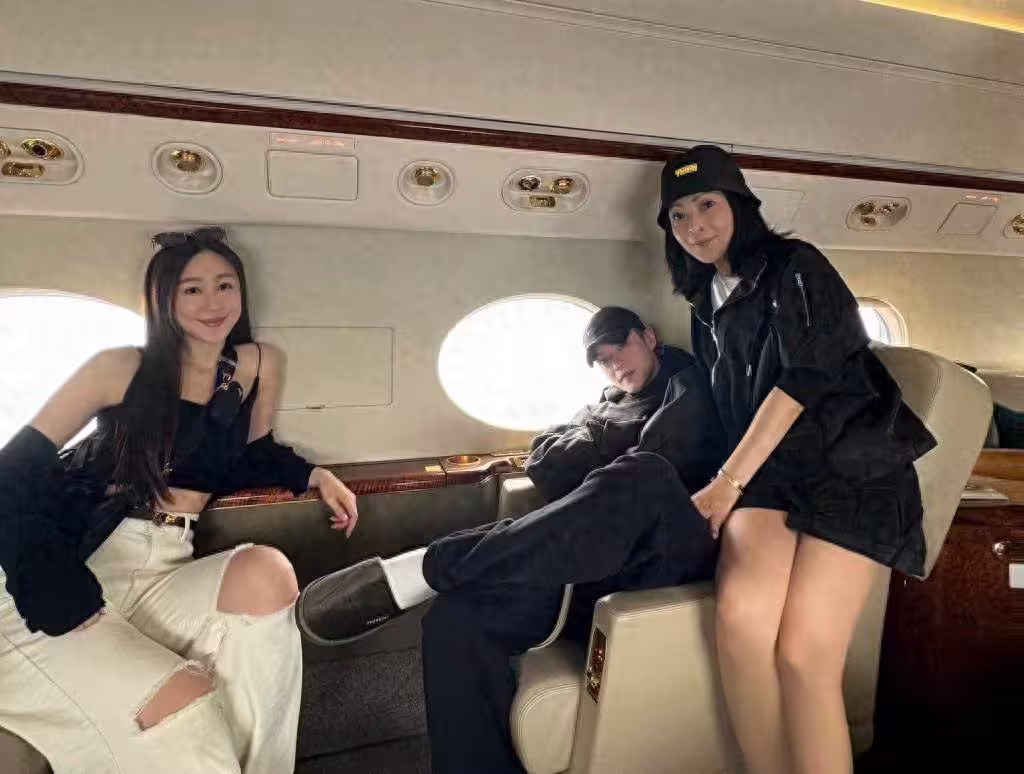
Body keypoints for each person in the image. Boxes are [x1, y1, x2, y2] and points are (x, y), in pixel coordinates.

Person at [297, 306, 724, 774]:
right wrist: (600, 447)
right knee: (454, 620)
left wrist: (594, 448)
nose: (614, 365)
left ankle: (431, 565)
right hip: (588, 567)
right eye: (602, 360)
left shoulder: (687, 386)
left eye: (619, 347)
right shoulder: (602, 405)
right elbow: (543, 459)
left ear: (649, 337)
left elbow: (657, 460)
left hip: (660, 556)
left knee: (644, 473)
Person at [0, 227, 358, 774]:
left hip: (167, 556)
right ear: (164, 299)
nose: (212, 302)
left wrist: (313, 474)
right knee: (180, 703)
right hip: (80, 558)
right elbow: (12, 474)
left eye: (224, 285)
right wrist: (54, 588)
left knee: (267, 574)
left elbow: (251, 453)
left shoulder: (257, 365)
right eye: (192, 290)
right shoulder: (120, 367)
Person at [657, 145, 937, 774]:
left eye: (707, 204)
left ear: (739, 204)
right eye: (679, 215)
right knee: (740, 625)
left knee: (804, 657)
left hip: (851, 466)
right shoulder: (704, 302)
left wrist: (727, 483)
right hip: (772, 473)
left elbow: (804, 378)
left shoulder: (796, 265)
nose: (695, 225)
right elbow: (728, 409)